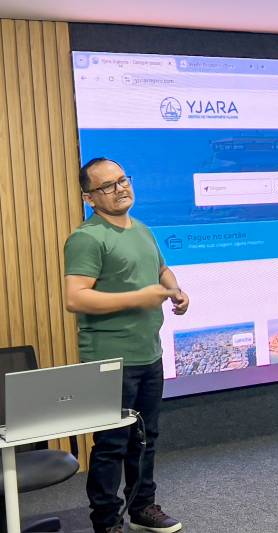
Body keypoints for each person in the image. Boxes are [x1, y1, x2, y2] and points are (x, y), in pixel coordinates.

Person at [64, 157, 189, 533]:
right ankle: (106, 522)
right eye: (107, 185)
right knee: (111, 444)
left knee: (145, 439)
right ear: (89, 198)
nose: (120, 188)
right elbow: (75, 297)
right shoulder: (87, 238)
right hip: (110, 359)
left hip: (149, 353)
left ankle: (142, 508)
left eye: (122, 180)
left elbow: (160, 269)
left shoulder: (142, 230)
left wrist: (175, 290)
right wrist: (139, 297)